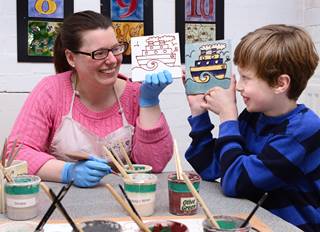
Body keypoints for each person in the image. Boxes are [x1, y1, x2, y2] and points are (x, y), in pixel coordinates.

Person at [7, 10, 174, 188]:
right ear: (71, 58)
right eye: (100, 53)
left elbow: (154, 165)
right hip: (63, 203)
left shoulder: (135, 94)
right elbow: (16, 154)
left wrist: (149, 103)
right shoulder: (50, 91)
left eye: (116, 49)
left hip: (128, 202)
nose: (112, 60)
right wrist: (67, 171)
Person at [184, 24, 320, 231]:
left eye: (246, 78)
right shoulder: (254, 116)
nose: (238, 87)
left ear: (280, 84)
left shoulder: (303, 130)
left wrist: (228, 116)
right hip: (258, 222)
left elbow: (235, 183)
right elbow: (211, 169)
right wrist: (199, 114)